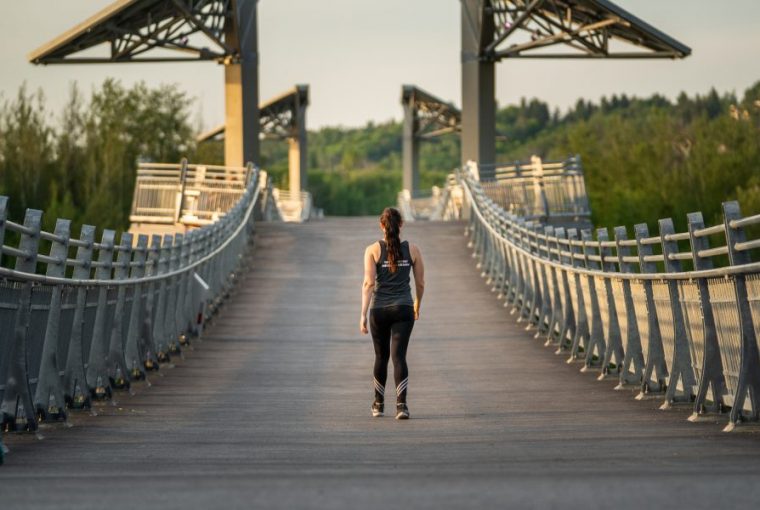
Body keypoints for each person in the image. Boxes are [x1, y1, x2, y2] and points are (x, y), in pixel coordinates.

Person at [360, 207, 425, 420]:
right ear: (401, 225)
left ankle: (378, 405)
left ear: (381, 225)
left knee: (381, 356)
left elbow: (369, 283)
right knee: (399, 357)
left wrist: (362, 315)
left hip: (378, 310)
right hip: (404, 309)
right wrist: (417, 304)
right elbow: (421, 283)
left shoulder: (372, 249)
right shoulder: (413, 250)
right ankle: (401, 406)